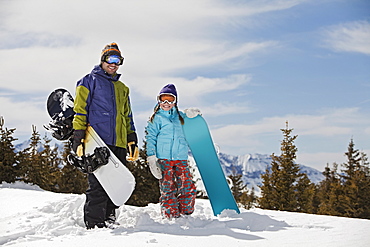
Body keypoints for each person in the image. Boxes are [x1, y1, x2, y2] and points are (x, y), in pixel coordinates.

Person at [72, 42, 138, 229]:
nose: (114, 64)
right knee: (99, 183)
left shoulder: (123, 88)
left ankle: (109, 217)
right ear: (103, 60)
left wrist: (131, 138)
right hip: (98, 141)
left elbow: (128, 115)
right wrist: (79, 136)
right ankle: (94, 222)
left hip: (119, 141)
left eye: (117, 61)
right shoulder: (88, 81)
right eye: (110, 59)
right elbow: (80, 111)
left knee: (115, 183)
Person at [145, 84, 201, 218]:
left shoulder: (181, 117)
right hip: (164, 159)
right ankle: (170, 215)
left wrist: (192, 114)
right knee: (167, 187)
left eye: (170, 100)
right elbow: (151, 138)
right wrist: (151, 158)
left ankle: (186, 212)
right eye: (163, 99)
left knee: (187, 185)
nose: (166, 103)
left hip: (181, 158)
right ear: (158, 100)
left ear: (175, 101)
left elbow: (193, 130)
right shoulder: (156, 118)